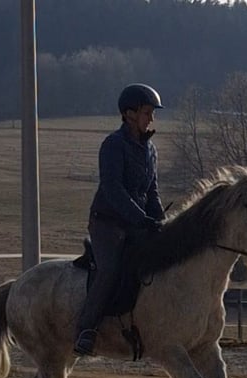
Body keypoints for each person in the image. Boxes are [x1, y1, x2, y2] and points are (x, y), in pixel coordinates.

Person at [73, 83, 165, 356]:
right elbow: (113, 189)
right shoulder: (113, 145)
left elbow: (152, 192)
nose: (151, 118)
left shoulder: (151, 150)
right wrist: (140, 218)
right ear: (129, 114)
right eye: (147, 112)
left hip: (136, 224)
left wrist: (161, 222)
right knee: (110, 270)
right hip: (107, 223)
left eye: (152, 113)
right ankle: (86, 329)